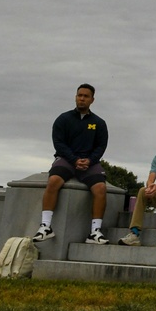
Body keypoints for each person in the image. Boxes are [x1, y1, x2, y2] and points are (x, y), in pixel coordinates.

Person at [33, 84, 109, 245]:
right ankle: (45, 226)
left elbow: (101, 146)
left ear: (92, 100)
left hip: (90, 162)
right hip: (66, 160)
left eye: (85, 96)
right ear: (75, 97)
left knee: (101, 188)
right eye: (79, 95)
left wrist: (89, 160)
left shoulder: (99, 123)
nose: (81, 98)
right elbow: (58, 143)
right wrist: (74, 159)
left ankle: (95, 232)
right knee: (53, 181)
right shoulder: (63, 119)